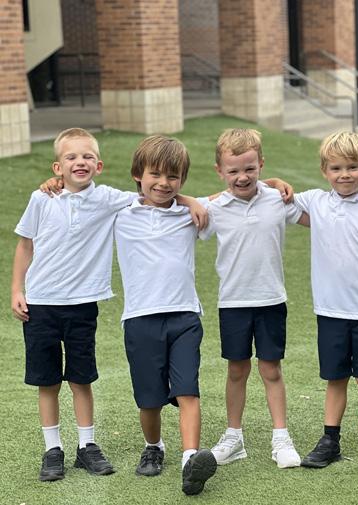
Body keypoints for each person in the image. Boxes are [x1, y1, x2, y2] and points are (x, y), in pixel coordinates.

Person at [11, 128, 132, 481]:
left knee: (81, 378)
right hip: (40, 305)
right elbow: (25, 245)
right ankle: (53, 449)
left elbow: (152, 195)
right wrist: (17, 289)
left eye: (87, 156)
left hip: (81, 306)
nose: (80, 162)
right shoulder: (41, 198)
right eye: (71, 157)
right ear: (58, 167)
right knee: (47, 381)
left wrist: (192, 201)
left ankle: (86, 446)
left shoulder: (108, 199)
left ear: (99, 165)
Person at [114, 135, 217, 495]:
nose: (163, 183)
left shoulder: (191, 213)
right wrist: (54, 183)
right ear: (137, 175)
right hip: (140, 319)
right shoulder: (120, 212)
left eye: (173, 177)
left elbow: (237, 191)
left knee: (188, 390)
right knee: (150, 400)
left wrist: (189, 201)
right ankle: (153, 446)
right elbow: (83, 193)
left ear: (183, 180)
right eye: (155, 174)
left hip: (185, 318)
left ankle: (191, 461)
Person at [203, 128, 303, 469]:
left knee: (271, 369)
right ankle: (234, 437)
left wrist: (275, 184)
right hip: (233, 303)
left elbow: (317, 214)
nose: (242, 177)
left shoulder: (278, 199)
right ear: (220, 171)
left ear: (261, 164)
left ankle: (281, 438)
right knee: (236, 369)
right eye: (233, 171)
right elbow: (176, 204)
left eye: (250, 168)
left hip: (271, 300)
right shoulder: (214, 208)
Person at [296, 131, 358, 475]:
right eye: (336, 168)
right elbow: (277, 195)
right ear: (325, 170)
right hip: (330, 310)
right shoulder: (315, 202)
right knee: (335, 378)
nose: (344, 174)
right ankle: (330, 440)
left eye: (352, 167)